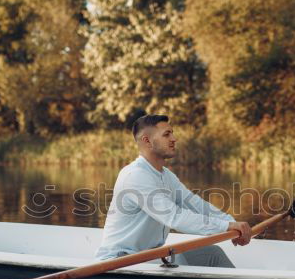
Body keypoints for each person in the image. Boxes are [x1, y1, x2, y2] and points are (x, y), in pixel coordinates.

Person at [95, 114, 252, 266]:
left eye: (172, 133)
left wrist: (231, 222)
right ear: (147, 141)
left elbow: (195, 204)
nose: (174, 139)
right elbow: (174, 217)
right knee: (177, 263)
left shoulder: (166, 176)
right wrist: (225, 227)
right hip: (120, 259)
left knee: (213, 254)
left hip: (151, 255)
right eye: (166, 134)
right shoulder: (135, 176)